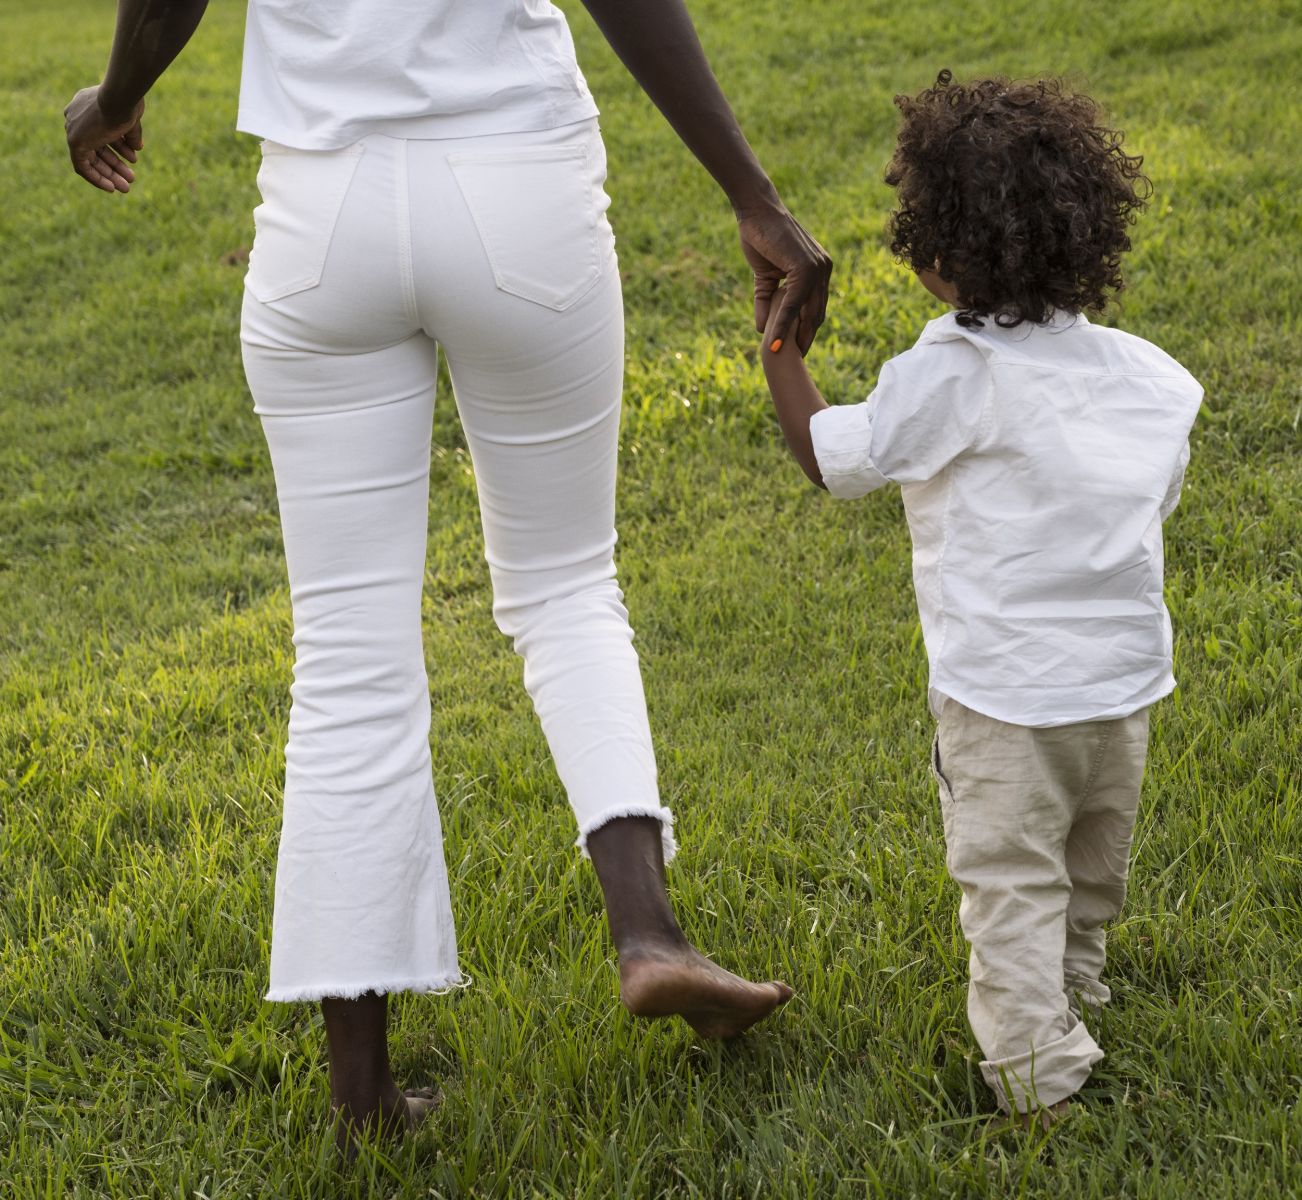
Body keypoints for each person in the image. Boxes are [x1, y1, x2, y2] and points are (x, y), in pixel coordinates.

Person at [65, 0, 831, 1149]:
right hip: (519, 185)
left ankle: (363, 1099)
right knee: (567, 583)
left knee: (346, 647)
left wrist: (115, 100)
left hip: (323, 216)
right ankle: (651, 936)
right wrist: (750, 191)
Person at [760, 71, 1201, 1126]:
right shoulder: (1153, 377)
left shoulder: (951, 372)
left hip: (1005, 702)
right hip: (1122, 692)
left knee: (1011, 883)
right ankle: (1076, 992)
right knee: (1091, 870)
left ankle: (1038, 1085)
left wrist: (779, 346)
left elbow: (835, 460)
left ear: (939, 254)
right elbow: (1153, 506)